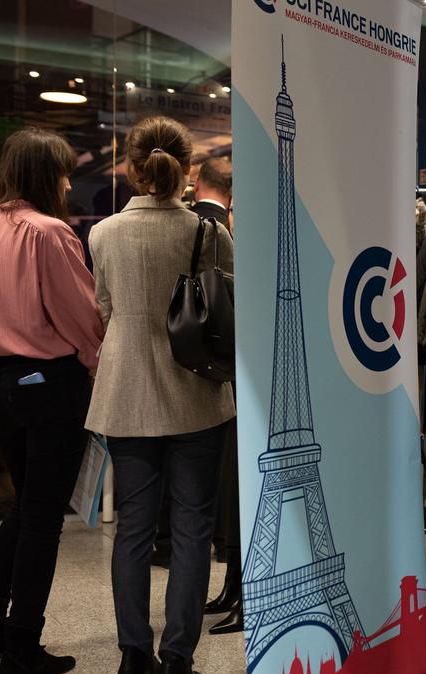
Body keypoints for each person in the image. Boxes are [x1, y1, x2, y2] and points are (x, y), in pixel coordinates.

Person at [87, 116, 235, 674]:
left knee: (132, 526)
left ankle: (133, 654)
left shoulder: (103, 234)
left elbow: (105, 310)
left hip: (126, 392)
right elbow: (227, 311)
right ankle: (178, 657)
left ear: (132, 167)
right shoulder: (208, 233)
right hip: (195, 391)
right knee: (193, 527)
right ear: (187, 168)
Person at [0, 128, 104, 674]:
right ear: (48, 175)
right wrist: (95, 364)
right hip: (48, 383)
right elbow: (82, 316)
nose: (69, 184)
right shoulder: (49, 233)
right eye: (65, 172)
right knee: (43, 518)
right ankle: (22, 645)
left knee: (26, 504)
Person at [185, 156, 242, 636]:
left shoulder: (209, 228)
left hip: (224, 369)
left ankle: (239, 585)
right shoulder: (219, 230)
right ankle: (234, 582)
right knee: (231, 485)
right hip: (227, 369)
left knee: (235, 485)